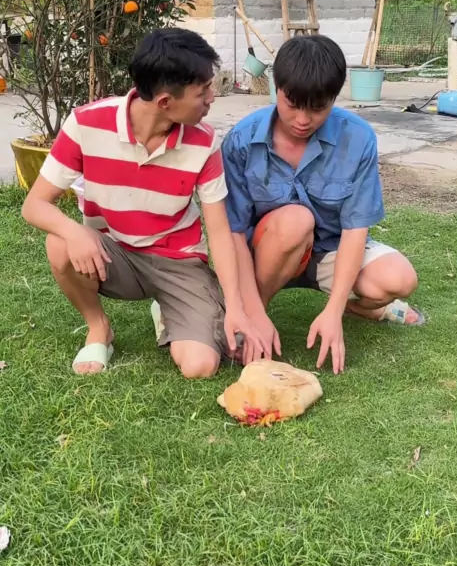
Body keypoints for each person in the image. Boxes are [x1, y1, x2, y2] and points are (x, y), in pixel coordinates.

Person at [21, 28, 266, 378]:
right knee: (59, 243)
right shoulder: (86, 123)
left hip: (179, 263)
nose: (212, 98)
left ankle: (169, 309)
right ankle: (99, 328)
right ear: (165, 102)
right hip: (114, 254)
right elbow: (34, 206)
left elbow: (219, 232)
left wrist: (237, 309)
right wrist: (74, 232)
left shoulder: (204, 142)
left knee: (200, 367)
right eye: (203, 92)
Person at [220, 34, 424, 375]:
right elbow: (234, 233)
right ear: (276, 87)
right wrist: (253, 313)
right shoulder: (241, 140)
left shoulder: (357, 138)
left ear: (334, 97)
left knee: (399, 279)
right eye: (292, 104)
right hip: (266, 252)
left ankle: (356, 308)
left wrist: (334, 310)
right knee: (296, 221)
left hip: (329, 251)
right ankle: (253, 319)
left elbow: (355, 229)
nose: (303, 119)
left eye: (317, 108)